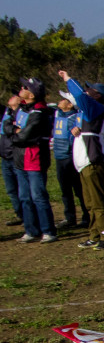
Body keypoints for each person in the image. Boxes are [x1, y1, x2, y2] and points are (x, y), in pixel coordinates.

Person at [58, 71, 104, 250]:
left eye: (91, 90)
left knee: (97, 201)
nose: (87, 91)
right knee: (89, 203)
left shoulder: (96, 107)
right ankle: (94, 235)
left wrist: (68, 79)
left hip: (93, 161)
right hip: (84, 162)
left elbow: (79, 95)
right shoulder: (88, 111)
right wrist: (76, 130)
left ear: (97, 96)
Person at [8, 78, 57, 243]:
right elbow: (8, 126)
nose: (21, 88)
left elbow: (24, 136)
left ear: (32, 94)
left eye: (26, 87)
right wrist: (15, 131)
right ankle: (31, 230)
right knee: (24, 197)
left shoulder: (40, 112)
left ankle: (48, 231)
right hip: (19, 159)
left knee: (38, 196)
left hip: (34, 159)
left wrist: (15, 133)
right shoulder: (22, 109)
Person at [53, 92, 90, 229]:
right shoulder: (57, 114)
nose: (60, 100)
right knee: (65, 190)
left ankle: (86, 217)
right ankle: (69, 218)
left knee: (79, 190)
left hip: (70, 157)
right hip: (59, 156)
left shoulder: (76, 117)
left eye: (64, 99)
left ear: (70, 105)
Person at [1, 95, 22, 227]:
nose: (11, 97)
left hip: (16, 157)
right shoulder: (6, 112)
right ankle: (20, 215)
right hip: (5, 158)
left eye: (15, 95)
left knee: (23, 190)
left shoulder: (22, 114)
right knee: (11, 190)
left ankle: (29, 216)